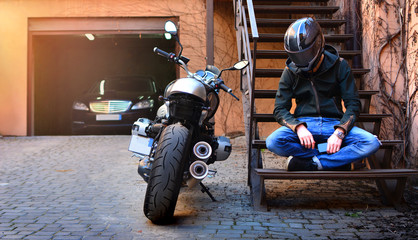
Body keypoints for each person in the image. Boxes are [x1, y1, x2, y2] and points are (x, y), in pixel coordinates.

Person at [266, 17, 381, 171]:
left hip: (333, 124)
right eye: (297, 56)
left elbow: (353, 105)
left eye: (305, 55)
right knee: (273, 142)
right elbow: (280, 109)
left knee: (371, 143)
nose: (301, 61)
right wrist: (298, 127)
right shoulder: (290, 71)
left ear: (318, 45)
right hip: (305, 125)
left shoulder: (340, 66)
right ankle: (334, 160)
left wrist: (340, 132)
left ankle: (314, 163)